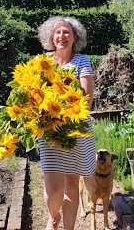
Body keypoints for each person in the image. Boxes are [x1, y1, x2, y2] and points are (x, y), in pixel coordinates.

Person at [37, 16, 96, 230]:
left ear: (75, 37)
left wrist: (67, 115)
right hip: (49, 132)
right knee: (53, 190)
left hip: (75, 130)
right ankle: (53, 217)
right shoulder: (41, 62)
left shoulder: (82, 61)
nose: (62, 36)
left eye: (66, 32)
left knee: (72, 181)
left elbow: (86, 99)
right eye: (58, 32)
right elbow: (32, 95)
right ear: (51, 37)